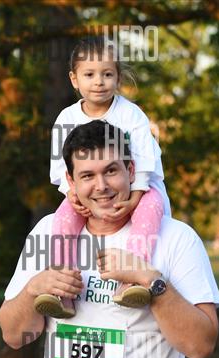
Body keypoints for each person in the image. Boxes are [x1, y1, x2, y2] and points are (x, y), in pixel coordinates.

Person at [0, 120, 219, 358]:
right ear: (71, 182)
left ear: (131, 171)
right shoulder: (48, 234)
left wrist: (152, 283)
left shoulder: (176, 239)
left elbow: (201, 345)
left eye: (111, 171)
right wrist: (34, 289)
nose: (101, 186)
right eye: (87, 175)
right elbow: (13, 334)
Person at [34, 35, 171, 319]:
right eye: (90, 75)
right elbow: (60, 167)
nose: (99, 82)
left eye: (107, 74)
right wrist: (71, 194)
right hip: (85, 192)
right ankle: (62, 289)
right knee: (62, 220)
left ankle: (131, 281)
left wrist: (135, 197)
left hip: (139, 188)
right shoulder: (66, 118)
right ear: (74, 79)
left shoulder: (131, 115)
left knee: (151, 209)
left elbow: (145, 160)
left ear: (118, 77)